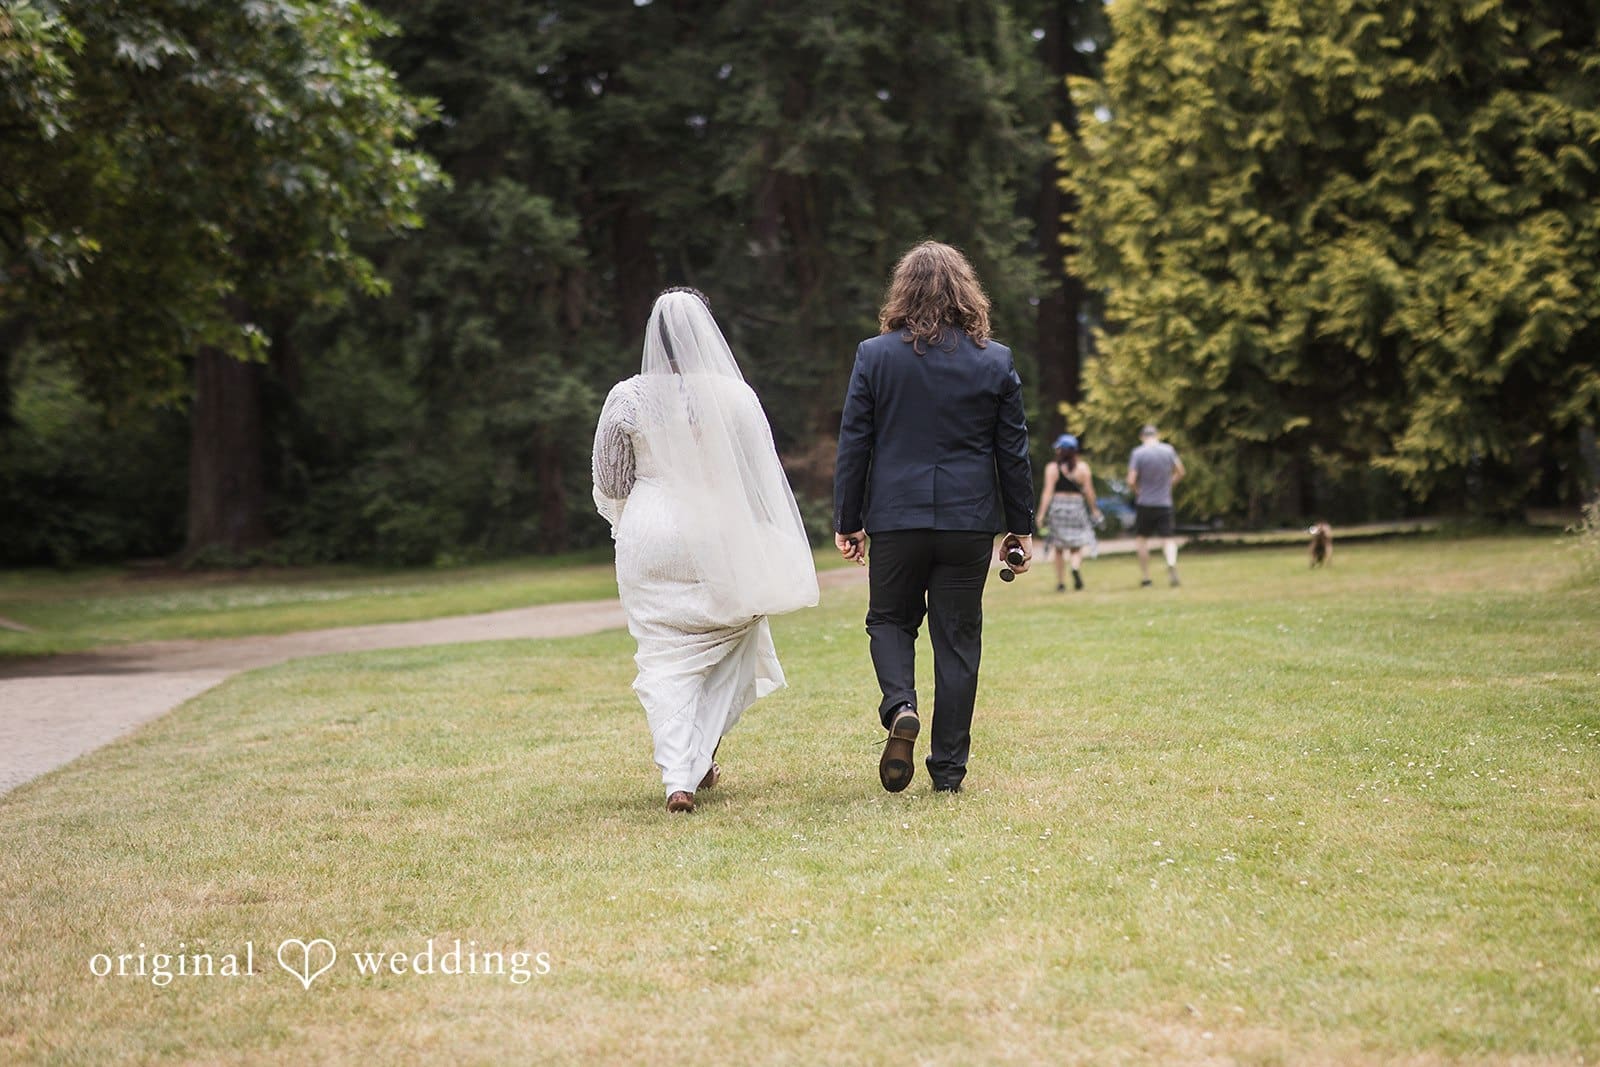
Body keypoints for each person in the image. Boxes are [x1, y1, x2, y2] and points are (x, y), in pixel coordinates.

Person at [592, 288, 819, 813]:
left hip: (650, 530)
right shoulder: (734, 396)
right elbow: (756, 474)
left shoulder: (626, 398)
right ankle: (694, 759)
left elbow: (611, 479)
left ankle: (681, 774)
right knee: (735, 632)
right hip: (718, 530)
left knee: (661, 655)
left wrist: (633, 523)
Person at [832, 241, 1035, 795]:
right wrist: (1020, 525)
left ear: (903, 291)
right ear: (967, 292)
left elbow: (856, 442)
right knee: (958, 640)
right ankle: (948, 772)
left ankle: (900, 704)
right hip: (969, 522)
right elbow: (1011, 450)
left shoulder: (875, 356)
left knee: (889, 621)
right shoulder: (995, 359)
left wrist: (848, 518)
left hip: (896, 517)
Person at [1037, 434, 1102, 591]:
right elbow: (1089, 492)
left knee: (1058, 548)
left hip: (1058, 508)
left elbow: (1047, 492)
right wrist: (1094, 510)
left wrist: (1041, 514)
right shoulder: (1083, 468)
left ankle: (1060, 582)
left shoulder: (1052, 468)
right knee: (1077, 545)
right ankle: (1074, 566)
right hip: (1076, 507)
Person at [1127, 423, 1186, 587]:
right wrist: (1169, 485)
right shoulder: (1168, 450)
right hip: (1164, 501)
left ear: (1142, 437)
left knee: (1141, 540)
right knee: (1167, 539)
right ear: (1157, 435)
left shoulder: (1138, 453)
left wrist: (1138, 491)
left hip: (1145, 502)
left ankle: (1146, 577)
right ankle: (1171, 562)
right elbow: (1181, 471)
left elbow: (1131, 480)